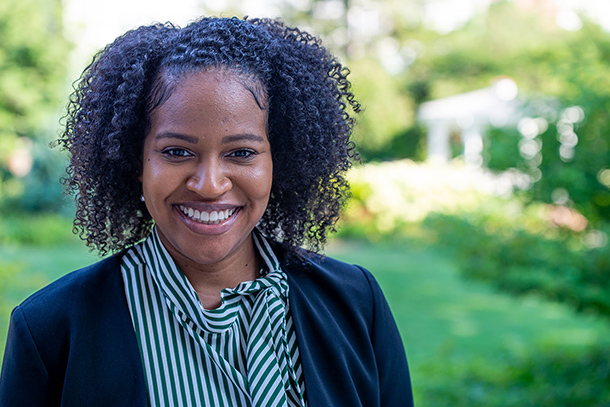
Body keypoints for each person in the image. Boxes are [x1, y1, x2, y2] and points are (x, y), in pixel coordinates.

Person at [0, 16, 413, 407]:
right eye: (177, 151)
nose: (210, 184)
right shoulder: (50, 332)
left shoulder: (358, 304)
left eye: (242, 152)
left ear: (278, 161)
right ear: (134, 160)